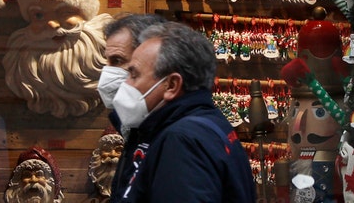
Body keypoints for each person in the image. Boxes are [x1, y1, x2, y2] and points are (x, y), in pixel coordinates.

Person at [109, 22, 256, 202]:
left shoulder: (181, 141)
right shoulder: (207, 123)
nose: (126, 84)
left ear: (171, 85)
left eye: (134, 75)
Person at [0, 0, 113, 118]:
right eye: (38, 15)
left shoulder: (102, 53)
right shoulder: (22, 63)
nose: (51, 24)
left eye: (64, 12)